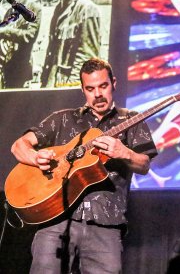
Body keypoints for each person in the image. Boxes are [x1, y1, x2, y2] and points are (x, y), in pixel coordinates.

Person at [11, 58, 158, 273]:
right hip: (56, 221)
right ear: (83, 90)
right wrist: (35, 158)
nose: (97, 94)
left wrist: (123, 152)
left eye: (103, 86)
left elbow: (144, 164)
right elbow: (19, 146)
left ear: (114, 83)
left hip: (106, 225)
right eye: (90, 88)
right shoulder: (62, 119)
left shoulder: (132, 120)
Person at [41, 0, 101, 88]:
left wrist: (71, 89)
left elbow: (87, 59)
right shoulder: (58, 8)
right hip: (52, 82)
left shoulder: (87, 9)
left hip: (69, 86)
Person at [0, 0, 41, 89]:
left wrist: (5, 31)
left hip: (21, 69)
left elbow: (29, 36)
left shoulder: (34, 9)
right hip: (7, 68)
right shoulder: (10, 11)